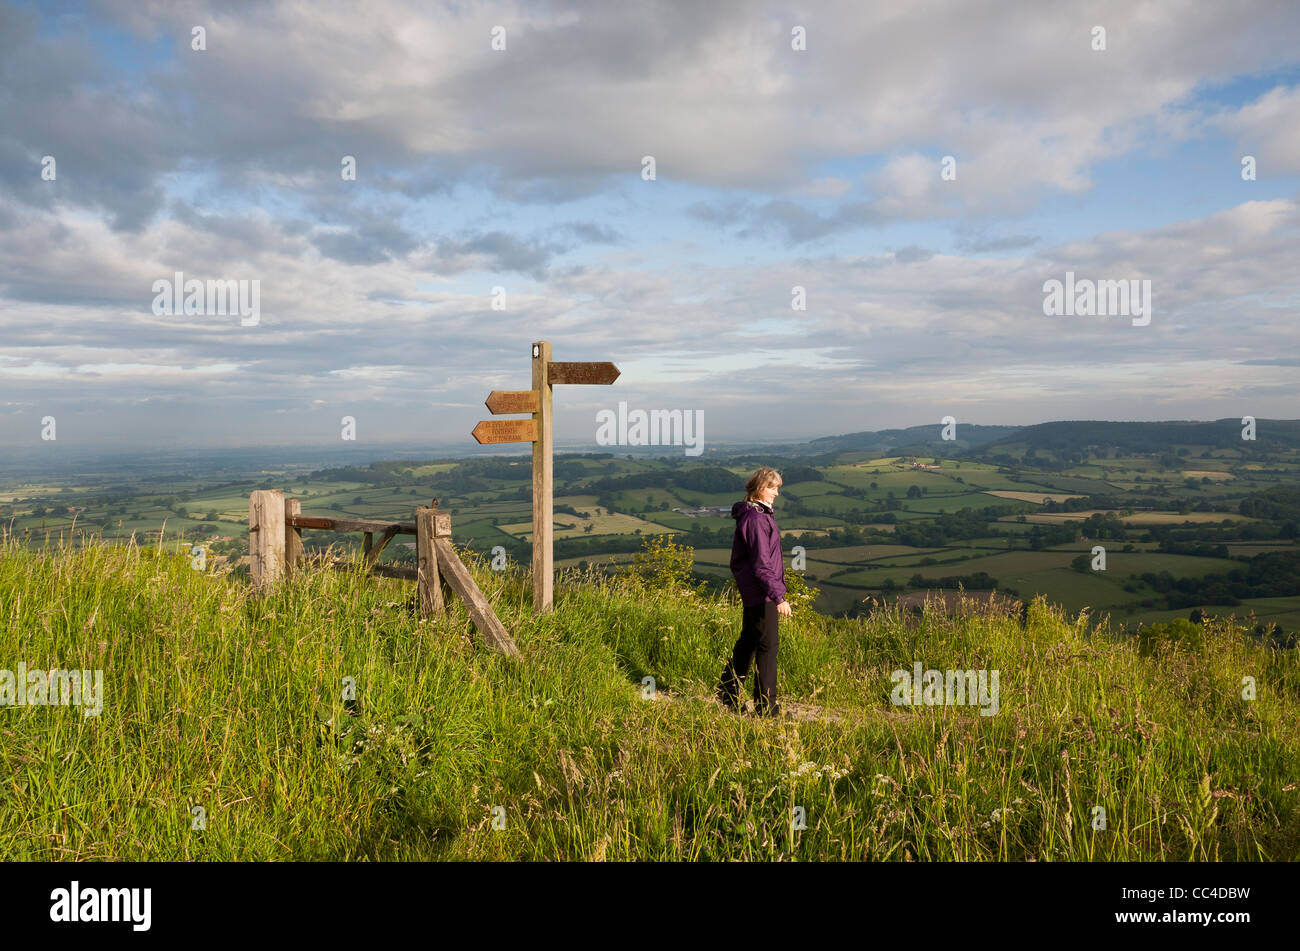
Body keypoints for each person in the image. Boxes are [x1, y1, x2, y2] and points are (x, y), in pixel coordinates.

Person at [716, 467, 791, 717]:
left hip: (755, 591)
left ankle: (727, 693)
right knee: (768, 647)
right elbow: (762, 564)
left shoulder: (756, 514)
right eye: (772, 487)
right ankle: (766, 709)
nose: (776, 493)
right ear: (760, 487)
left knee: (748, 642)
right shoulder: (756, 519)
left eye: (777, 487)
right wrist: (778, 595)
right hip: (762, 593)